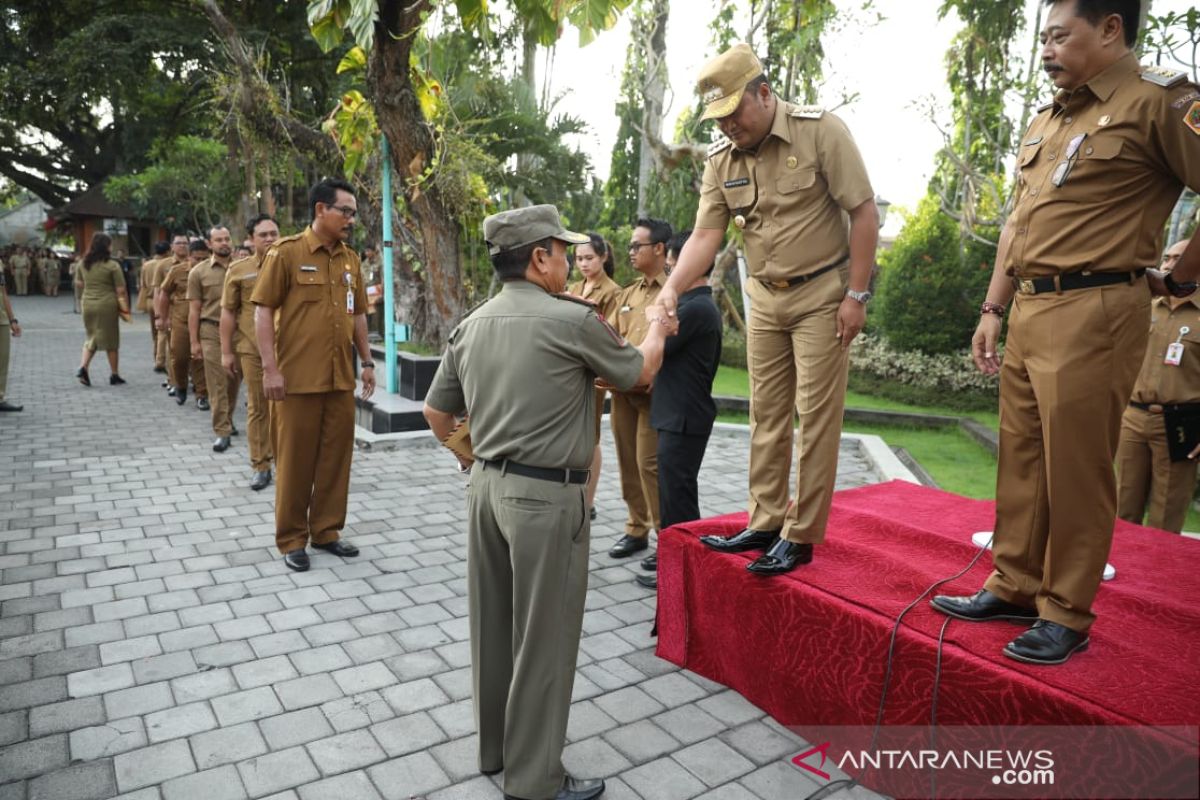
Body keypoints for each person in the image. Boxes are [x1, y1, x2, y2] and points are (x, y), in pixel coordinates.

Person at [932, 0, 1200, 666]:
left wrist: (1184, 277)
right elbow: (1018, 225)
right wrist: (993, 309)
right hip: (1030, 307)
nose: (1047, 49)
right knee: (1021, 458)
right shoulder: (1050, 117)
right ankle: (1015, 582)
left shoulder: (1160, 102)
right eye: (1043, 38)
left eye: (1060, 36)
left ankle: (1067, 610)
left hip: (1099, 305)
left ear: (1111, 29)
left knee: (1077, 466)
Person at [422, 204, 673, 800]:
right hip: (545, 499)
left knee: (493, 626)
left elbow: (437, 413)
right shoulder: (572, 320)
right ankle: (533, 779)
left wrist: (474, 458)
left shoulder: (474, 323)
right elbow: (638, 373)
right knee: (544, 636)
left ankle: (495, 753)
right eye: (562, 251)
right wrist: (660, 324)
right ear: (539, 258)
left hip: (485, 490)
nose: (568, 261)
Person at [658, 43, 879, 576]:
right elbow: (706, 235)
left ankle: (800, 535)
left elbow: (864, 212)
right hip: (765, 297)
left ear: (764, 92)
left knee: (816, 416)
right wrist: (672, 288)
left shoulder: (821, 131)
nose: (729, 125)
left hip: (822, 294)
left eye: (736, 112)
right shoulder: (720, 160)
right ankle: (764, 521)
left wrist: (856, 295)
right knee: (767, 415)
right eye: (719, 117)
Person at [251, 178, 374, 572]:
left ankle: (326, 531)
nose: (351, 219)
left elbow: (357, 314)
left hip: (339, 379)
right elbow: (263, 311)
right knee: (294, 462)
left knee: (335, 460)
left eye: (353, 213)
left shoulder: (350, 258)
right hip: (296, 380)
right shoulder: (285, 253)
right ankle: (291, 539)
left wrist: (367, 361)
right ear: (321, 209)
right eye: (346, 211)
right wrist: (270, 369)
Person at [635, 230, 723, 590]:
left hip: (684, 418)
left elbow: (653, 350)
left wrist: (656, 315)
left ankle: (685, 573)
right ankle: (679, 565)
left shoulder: (695, 308)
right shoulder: (691, 305)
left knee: (679, 502)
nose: (670, 272)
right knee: (674, 496)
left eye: (674, 265)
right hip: (678, 415)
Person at [1117, 239, 1200, 533]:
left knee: (1166, 515)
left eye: (1177, 258)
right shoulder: (1145, 305)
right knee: (1121, 509)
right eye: (1166, 258)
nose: (1167, 264)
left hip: (1182, 423)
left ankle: (1157, 576)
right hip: (1133, 417)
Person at [608, 218, 673, 559]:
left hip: (653, 396)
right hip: (622, 393)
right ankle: (636, 529)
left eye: (638, 246)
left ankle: (666, 538)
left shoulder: (674, 290)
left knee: (650, 467)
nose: (631, 251)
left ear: (659, 248)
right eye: (631, 246)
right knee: (627, 463)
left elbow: (677, 343)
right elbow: (614, 338)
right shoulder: (628, 293)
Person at [567, 233, 622, 520]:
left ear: (603, 257)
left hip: (592, 373)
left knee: (591, 437)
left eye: (589, 258)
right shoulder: (574, 287)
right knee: (573, 434)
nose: (584, 264)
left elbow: (610, 334)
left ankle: (588, 501)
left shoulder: (612, 292)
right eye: (579, 259)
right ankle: (573, 494)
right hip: (568, 371)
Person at [222, 215, 279, 490]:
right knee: (258, 407)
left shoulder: (290, 264)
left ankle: (287, 462)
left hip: (288, 350)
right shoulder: (238, 269)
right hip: (252, 349)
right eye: (263, 235)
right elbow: (228, 312)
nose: (269, 239)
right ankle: (261, 465)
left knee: (286, 409)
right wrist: (226, 352)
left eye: (273, 233)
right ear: (251, 239)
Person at [189, 225, 241, 452]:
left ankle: (227, 419)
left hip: (239, 333)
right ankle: (221, 431)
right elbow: (194, 310)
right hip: (210, 331)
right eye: (218, 239)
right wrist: (194, 342)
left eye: (227, 238)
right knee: (216, 382)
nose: (224, 243)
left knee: (233, 379)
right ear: (209, 244)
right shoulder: (198, 272)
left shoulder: (243, 268)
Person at [157, 240, 210, 408]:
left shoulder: (212, 272)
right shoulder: (177, 271)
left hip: (204, 321)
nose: (200, 262)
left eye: (204, 258)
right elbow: (164, 294)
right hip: (181, 321)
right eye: (196, 258)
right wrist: (162, 317)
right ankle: (180, 385)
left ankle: (202, 394)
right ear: (189, 257)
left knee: (199, 360)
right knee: (179, 357)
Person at [75, 233, 130, 387]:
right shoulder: (112, 265)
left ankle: (83, 367)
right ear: (106, 246)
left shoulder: (83, 263)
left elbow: (79, 284)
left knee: (91, 336)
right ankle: (114, 374)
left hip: (88, 303)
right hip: (107, 304)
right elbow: (120, 289)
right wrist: (125, 308)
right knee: (111, 339)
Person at [140, 242, 170, 371]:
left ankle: (156, 357)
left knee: (155, 331)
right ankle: (162, 360)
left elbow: (142, 284)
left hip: (150, 300)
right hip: (164, 300)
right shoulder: (168, 265)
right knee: (164, 331)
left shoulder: (146, 265)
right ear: (168, 251)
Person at [0, 266, 21, 411]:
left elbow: (3, 293)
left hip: (1, 320)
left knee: (2, 360)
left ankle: (0, 397)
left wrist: (12, 320)